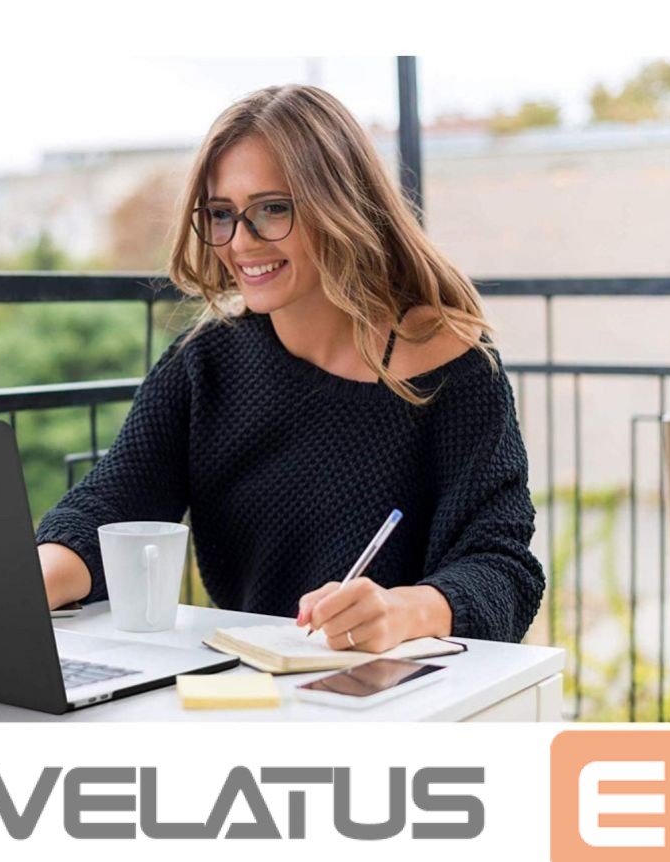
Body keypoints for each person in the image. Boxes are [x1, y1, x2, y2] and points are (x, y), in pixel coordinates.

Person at [35, 84, 545, 651]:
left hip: (402, 683)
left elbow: (504, 567)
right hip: (249, 679)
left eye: (272, 209)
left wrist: (403, 611)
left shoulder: (451, 361)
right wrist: (21, 588)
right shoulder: (204, 362)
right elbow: (110, 508)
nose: (240, 242)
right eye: (222, 214)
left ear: (340, 204)